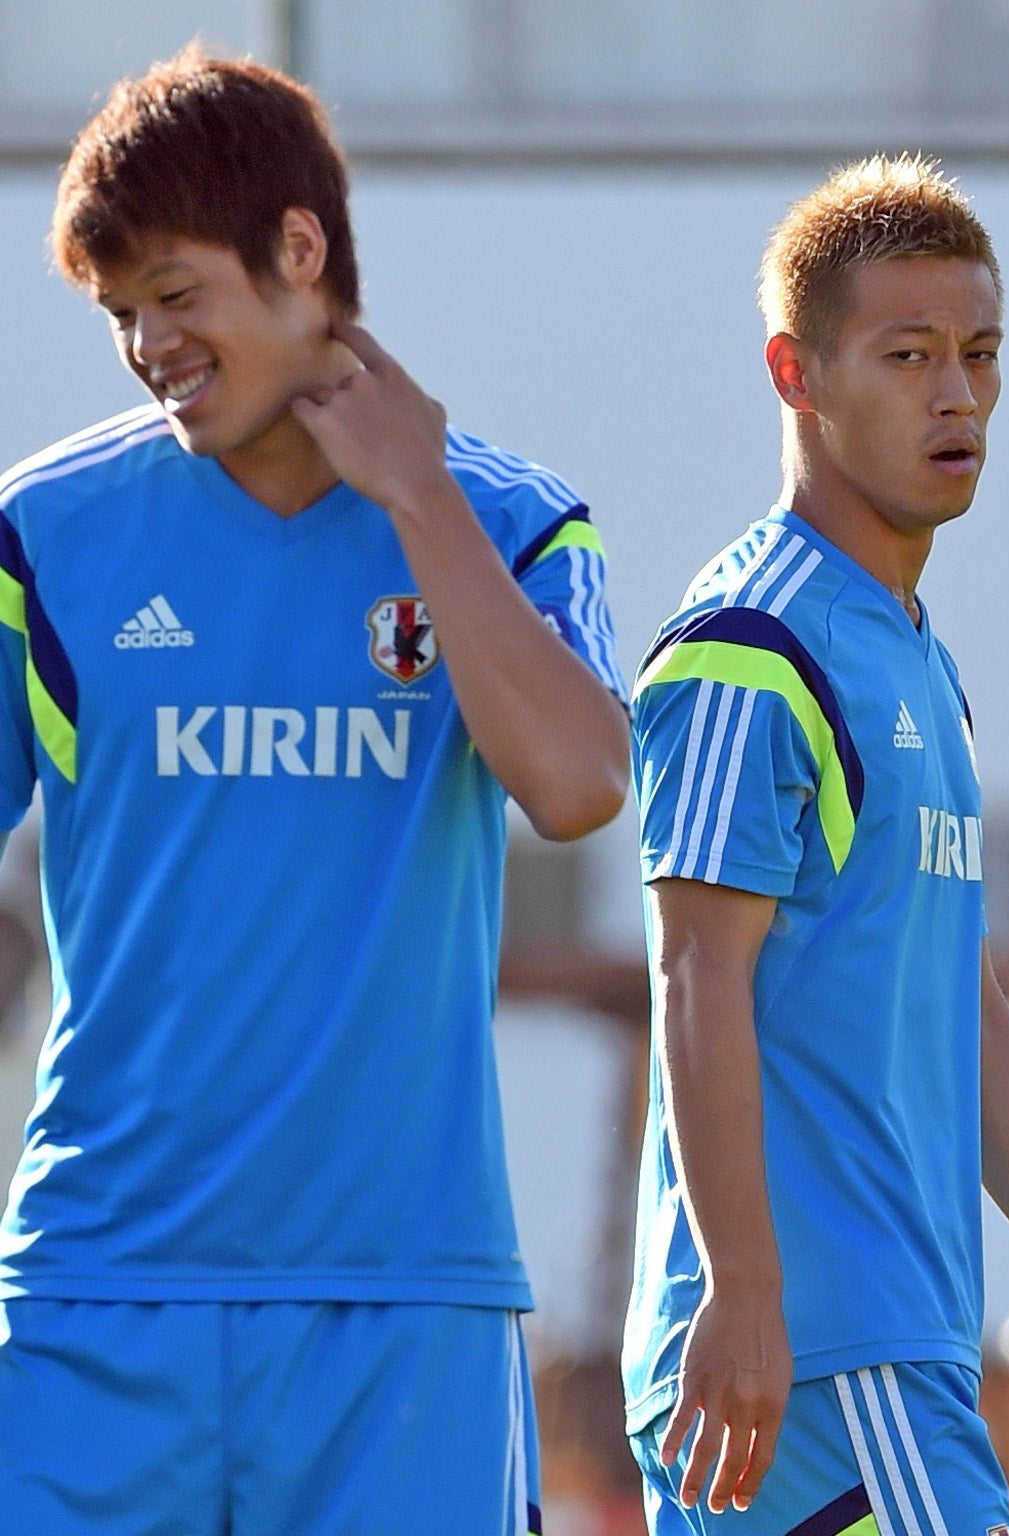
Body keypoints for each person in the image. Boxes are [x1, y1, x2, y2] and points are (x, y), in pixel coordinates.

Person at [0, 50, 631, 1533]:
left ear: (298, 250)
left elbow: (583, 784)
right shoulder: (48, 534)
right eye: (120, 316)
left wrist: (417, 499)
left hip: (406, 1306)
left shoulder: (517, 524)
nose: (150, 346)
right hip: (102, 1298)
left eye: (175, 293)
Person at [625, 155, 1009, 1536]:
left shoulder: (914, 662)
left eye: (980, 354)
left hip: (887, 1352)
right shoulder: (752, 650)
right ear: (796, 373)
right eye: (909, 354)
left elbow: (958, 1006)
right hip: (813, 1364)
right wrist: (747, 1296)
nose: (958, 395)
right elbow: (696, 977)